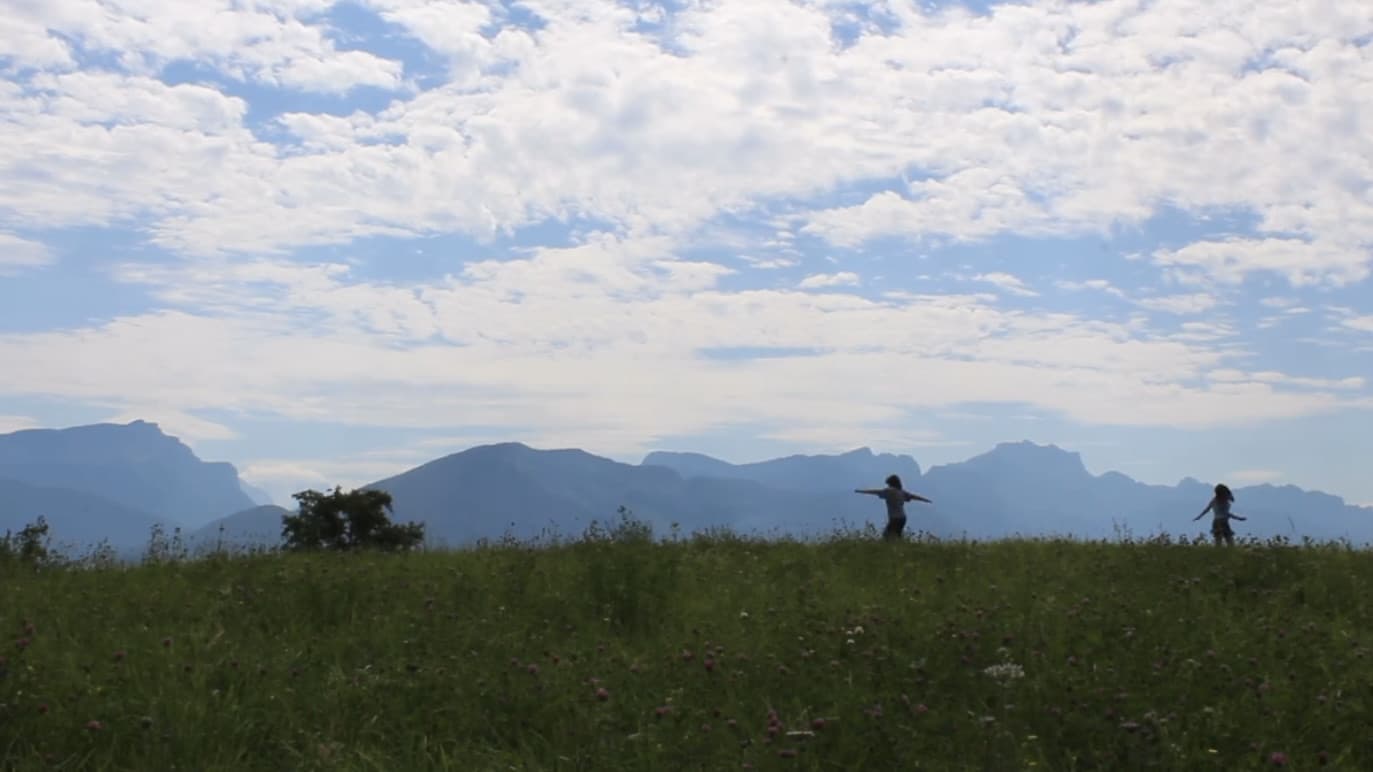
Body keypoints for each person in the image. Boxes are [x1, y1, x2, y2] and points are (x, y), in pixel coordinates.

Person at [855, 474, 932, 541]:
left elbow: (875, 491)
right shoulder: (902, 492)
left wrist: (861, 491)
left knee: (886, 536)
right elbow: (913, 496)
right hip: (902, 518)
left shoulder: (888, 491)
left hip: (894, 518)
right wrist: (925, 500)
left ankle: (892, 551)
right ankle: (900, 549)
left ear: (890, 483)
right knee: (897, 536)